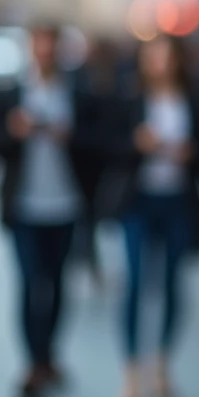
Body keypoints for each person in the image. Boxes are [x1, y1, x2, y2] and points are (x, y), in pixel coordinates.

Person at [0, 23, 81, 397]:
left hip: (65, 205)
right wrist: (13, 131)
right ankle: (34, 361)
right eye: (37, 47)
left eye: (49, 47)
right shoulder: (11, 91)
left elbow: (98, 138)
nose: (43, 54)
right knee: (29, 284)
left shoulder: (76, 90)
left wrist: (69, 134)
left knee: (57, 285)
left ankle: (48, 355)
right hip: (23, 207)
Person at [113, 34, 199, 397]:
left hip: (178, 204)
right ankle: (131, 375)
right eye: (152, 57)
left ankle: (162, 363)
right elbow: (107, 145)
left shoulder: (194, 101)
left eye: (165, 56)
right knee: (134, 283)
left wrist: (191, 152)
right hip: (138, 202)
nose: (159, 64)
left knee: (170, 284)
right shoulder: (130, 100)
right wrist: (136, 143)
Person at [69, 36, 125, 286]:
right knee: (87, 216)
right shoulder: (78, 78)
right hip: (84, 162)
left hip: (109, 161)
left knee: (100, 215)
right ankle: (88, 258)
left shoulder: (119, 76)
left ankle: (92, 259)